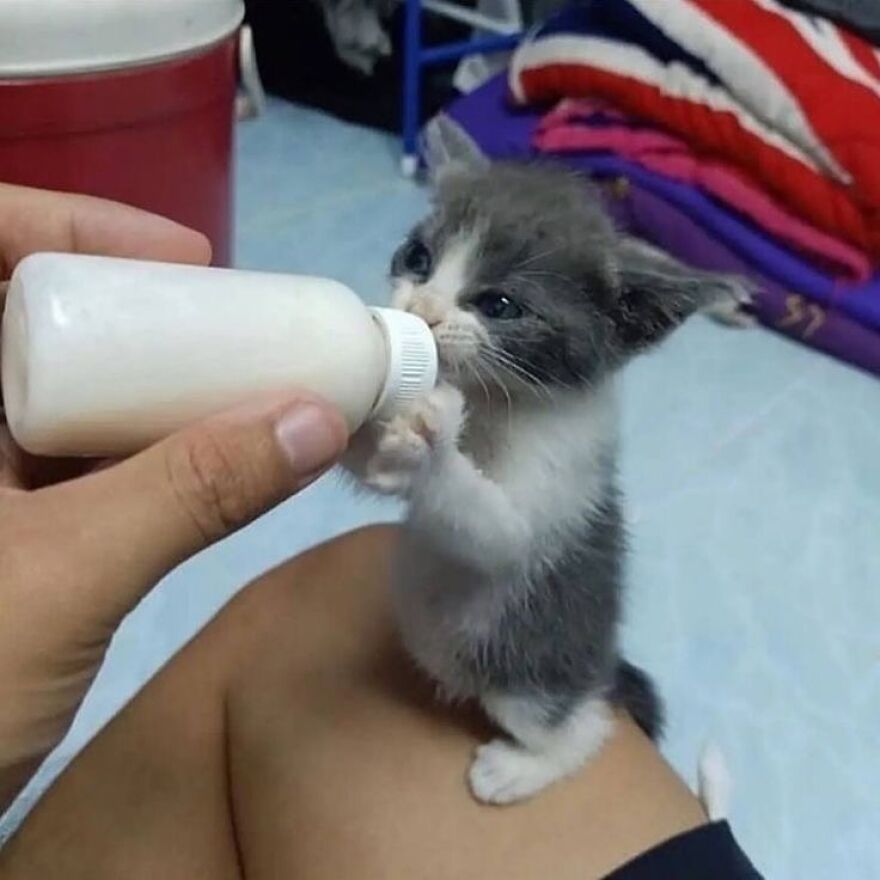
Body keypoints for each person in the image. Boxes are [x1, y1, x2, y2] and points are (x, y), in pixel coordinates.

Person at [0, 184, 761, 878]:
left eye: (494, 305)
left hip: (514, 649)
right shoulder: (454, 373)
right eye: (422, 262)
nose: (426, 308)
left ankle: (563, 741)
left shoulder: (564, 436)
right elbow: (379, 470)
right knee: (346, 575)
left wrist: (433, 466)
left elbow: (499, 542)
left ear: (616, 333)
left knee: (523, 706)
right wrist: (347, 427)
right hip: (440, 611)